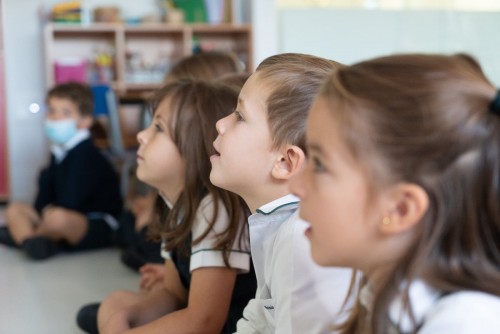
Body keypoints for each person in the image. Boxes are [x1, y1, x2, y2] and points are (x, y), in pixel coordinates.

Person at [290, 53, 500, 333]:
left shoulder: (463, 324)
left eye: (319, 164)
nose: (295, 186)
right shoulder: (382, 299)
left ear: (400, 209)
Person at [209, 53, 355, 333]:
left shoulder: (300, 237)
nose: (221, 124)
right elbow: (257, 319)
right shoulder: (280, 225)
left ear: (285, 162)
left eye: (240, 116)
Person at [97, 80, 256, 334]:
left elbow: (204, 322)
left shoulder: (215, 211)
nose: (141, 135)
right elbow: (173, 293)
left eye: (158, 128)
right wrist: (126, 318)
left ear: (195, 148)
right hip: (197, 318)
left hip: (227, 327)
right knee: (115, 304)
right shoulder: (173, 201)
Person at [0, 82, 122, 260]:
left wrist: (47, 211)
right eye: (51, 111)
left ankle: (25, 238)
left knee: (56, 218)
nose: (55, 118)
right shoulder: (58, 152)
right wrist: (45, 177)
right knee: (15, 208)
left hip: (95, 223)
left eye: (65, 113)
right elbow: (40, 204)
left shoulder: (87, 155)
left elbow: (69, 203)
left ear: (85, 121)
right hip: (57, 214)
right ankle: (33, 243)